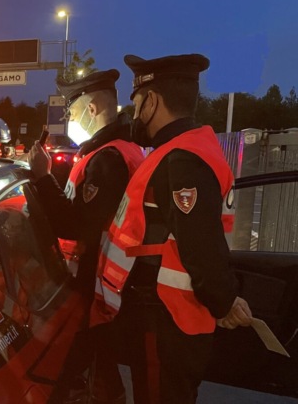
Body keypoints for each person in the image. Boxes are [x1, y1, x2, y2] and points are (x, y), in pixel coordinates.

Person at [90, 53, 253, 404]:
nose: (133, 113)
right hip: (172, 318)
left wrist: (223, 302)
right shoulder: (185, 151)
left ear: (151, 101)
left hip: (165, 320)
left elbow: (201, 248)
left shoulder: (182, 161)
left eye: (136, 103)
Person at [28, 69, 145, 404]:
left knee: (95, 384)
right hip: (108, 289)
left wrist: (41, 178)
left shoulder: (108, 160)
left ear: (91, 109)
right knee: (102, 376)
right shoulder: (117, 150)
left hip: (100, 292)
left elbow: (78, 225)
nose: (69, 118)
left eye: (71, 111)